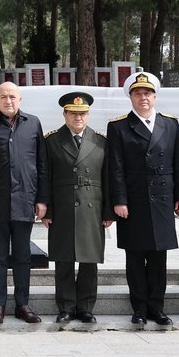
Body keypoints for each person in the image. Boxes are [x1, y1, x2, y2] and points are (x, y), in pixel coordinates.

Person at [107, 71, 179, 326]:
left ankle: (157, 307)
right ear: (131, 97)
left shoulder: (171, 124)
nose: (143, 97)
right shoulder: (118, 126)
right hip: (134, 198)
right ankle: (139, 308)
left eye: (148, 93)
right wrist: (119, 200)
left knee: (158, 257)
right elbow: (115, 168)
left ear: (155, 97)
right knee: (135, 256)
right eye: (138, 93)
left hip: (163, 198)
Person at [0, 82, 49, 324]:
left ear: (20, 99)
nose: (8, 101)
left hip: (25, 200)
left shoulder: (33, 123)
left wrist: (42, 199)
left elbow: (42, 165)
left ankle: (22, 304)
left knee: (22, 256)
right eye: (4, 97)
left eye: (12, 96)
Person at [42, 92, 112, 324]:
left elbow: (108, 178)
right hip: (62, 205)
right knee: (63, 259)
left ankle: (86, 307)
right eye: (73, 113)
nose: (78, 117)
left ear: (88, 115)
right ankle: (66, 306)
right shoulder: (52, 141)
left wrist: (108, 211)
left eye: (82, 113)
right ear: (65, 114)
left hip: (92, 206)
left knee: (89, 260)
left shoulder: (101, 141)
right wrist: (47, 210)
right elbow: (45, 177)